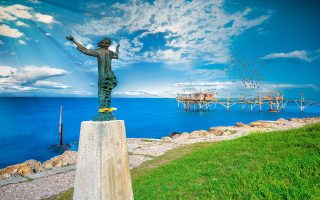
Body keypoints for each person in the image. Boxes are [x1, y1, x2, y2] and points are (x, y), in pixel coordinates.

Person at [66, 35, 120, 121]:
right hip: (110, 76)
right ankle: (107, 111)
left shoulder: (99, 52)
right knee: (107, 93)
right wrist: (117, 48)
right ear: (108, 45)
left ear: (101, 44)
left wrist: (74, 41)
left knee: (102, 93)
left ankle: (103, 113)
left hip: (103, 76)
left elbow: (85, 50)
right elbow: (117, 55)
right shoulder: (110, 53)